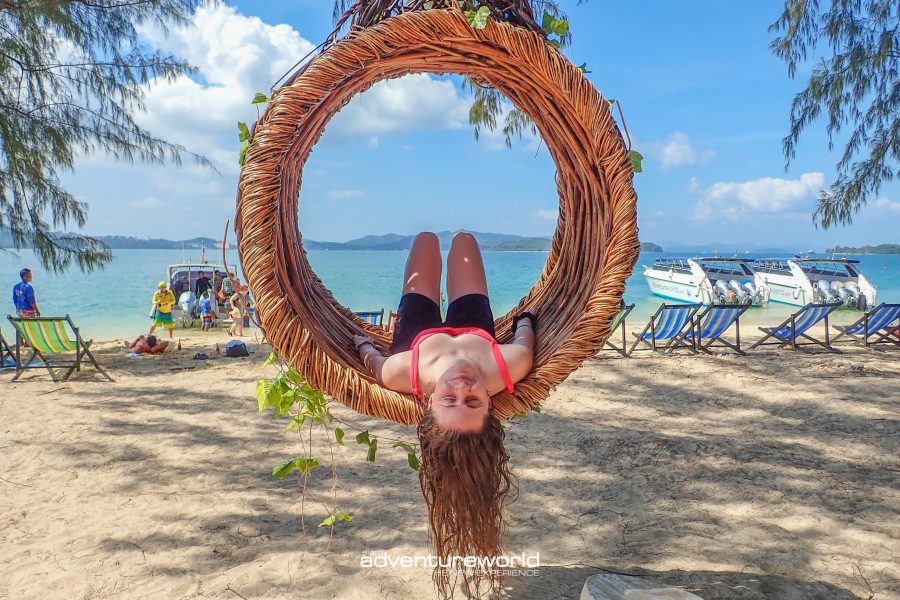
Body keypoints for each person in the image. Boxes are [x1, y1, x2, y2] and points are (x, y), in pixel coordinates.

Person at [353, 231, 534, 597]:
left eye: (450, 402)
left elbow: (374, 362)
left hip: (417, 334)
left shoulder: (406, 372)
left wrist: (362, 343)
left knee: (426, 241)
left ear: (429, 404)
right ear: (490, 402)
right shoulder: (505, 368)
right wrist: (526, 318)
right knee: (464, 240)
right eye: (473, 402)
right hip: (475, 326)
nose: (463, 388)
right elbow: (524, 340)